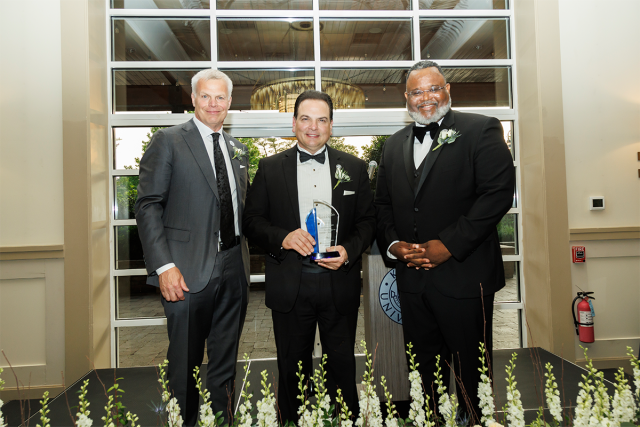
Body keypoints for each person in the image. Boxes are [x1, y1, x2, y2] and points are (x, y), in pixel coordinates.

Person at [374, 60, 515, 422]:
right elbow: (383, 206)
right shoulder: (393, 145)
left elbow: (497, 194)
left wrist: (447, 246)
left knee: (472, 372)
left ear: (448, 89)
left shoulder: (481, 129)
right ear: (407, 98)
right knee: (423, 372)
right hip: (413, 281)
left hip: (465, 277)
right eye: (417, 91)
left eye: (433, 88)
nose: (426, 98)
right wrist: (395, 246)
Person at [243, 90, 376, 424]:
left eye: (321, 119)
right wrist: (283, 238)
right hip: (291, 283)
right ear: (294, 123)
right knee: (292, 369)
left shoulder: (355, 168)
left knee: (343, 367)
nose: (313, 127)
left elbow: (368, 222)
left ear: (331, 125)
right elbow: (252, 222)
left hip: (338, 282)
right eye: (305, 118)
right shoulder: (271, 168)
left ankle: (343, 420)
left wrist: (348, 251)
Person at [135, 69, 250, 426]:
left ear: (229, 103)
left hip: (233, 266)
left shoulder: (237, 149)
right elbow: (148, 204)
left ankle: (222, 420)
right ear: (193, 99)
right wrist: (164, 266)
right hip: (183, 270)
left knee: (224, 360)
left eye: (220, 97)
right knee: (184, 361)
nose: (213, 104)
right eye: (206, 96)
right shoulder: (168, 141)